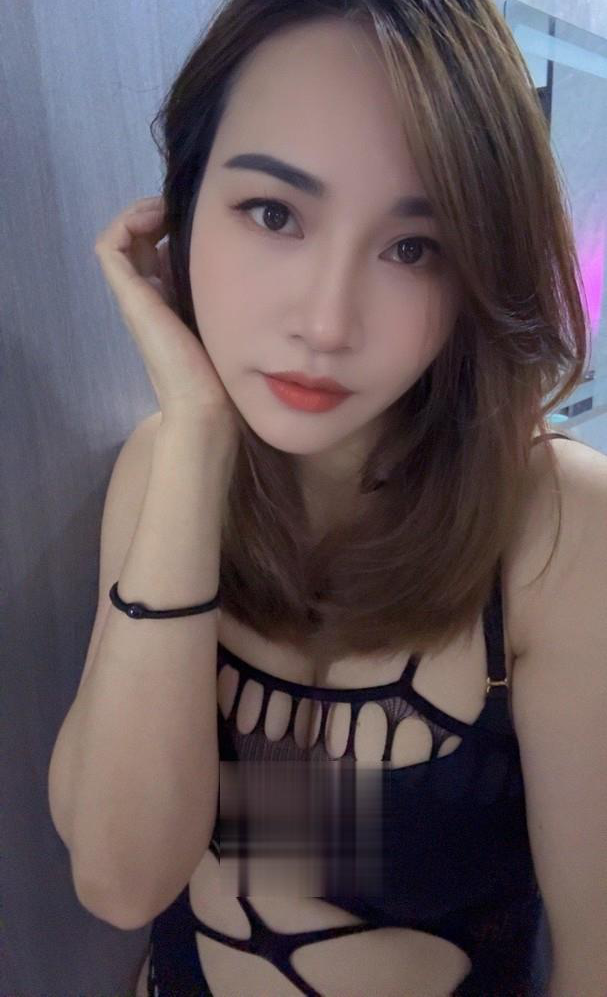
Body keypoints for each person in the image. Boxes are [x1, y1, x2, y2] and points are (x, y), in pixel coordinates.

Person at [48, 2, 604, 996]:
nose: (326, 321)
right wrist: (195, 441)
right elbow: (121, 879)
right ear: (181, 208)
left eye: (412, 247)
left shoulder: (562, 530)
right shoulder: (161, 467)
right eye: (274, 214)